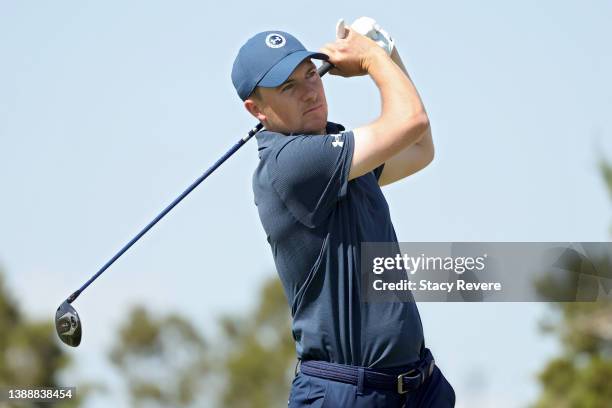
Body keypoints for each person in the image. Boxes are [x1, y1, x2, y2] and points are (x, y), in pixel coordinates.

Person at [231, 25, 456, 407]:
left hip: (415, 387)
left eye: (309, 75)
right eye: (288, 88)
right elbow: (410, 121)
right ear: (257, 111)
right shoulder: (293, 163)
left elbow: (420, 147)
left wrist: (387, 52)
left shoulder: (336, 156)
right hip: (345, 393)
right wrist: (371, 59)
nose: (309, 91)